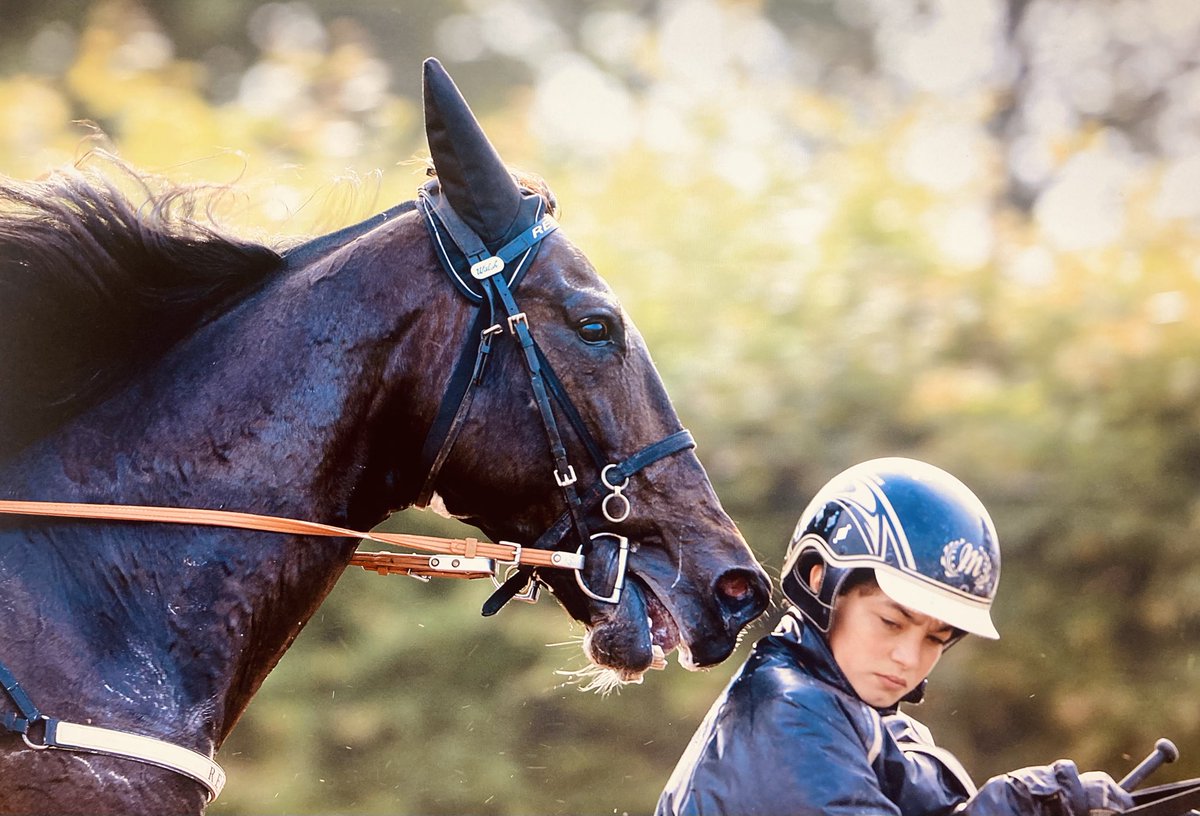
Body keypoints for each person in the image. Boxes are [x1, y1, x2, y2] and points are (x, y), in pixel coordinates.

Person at [656, 457, 1134, 816]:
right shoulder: (787, 712)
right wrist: (1017, 801)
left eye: (935, 638)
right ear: (821, 581)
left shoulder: (869, 719)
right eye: (891, 622)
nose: (908, 657)